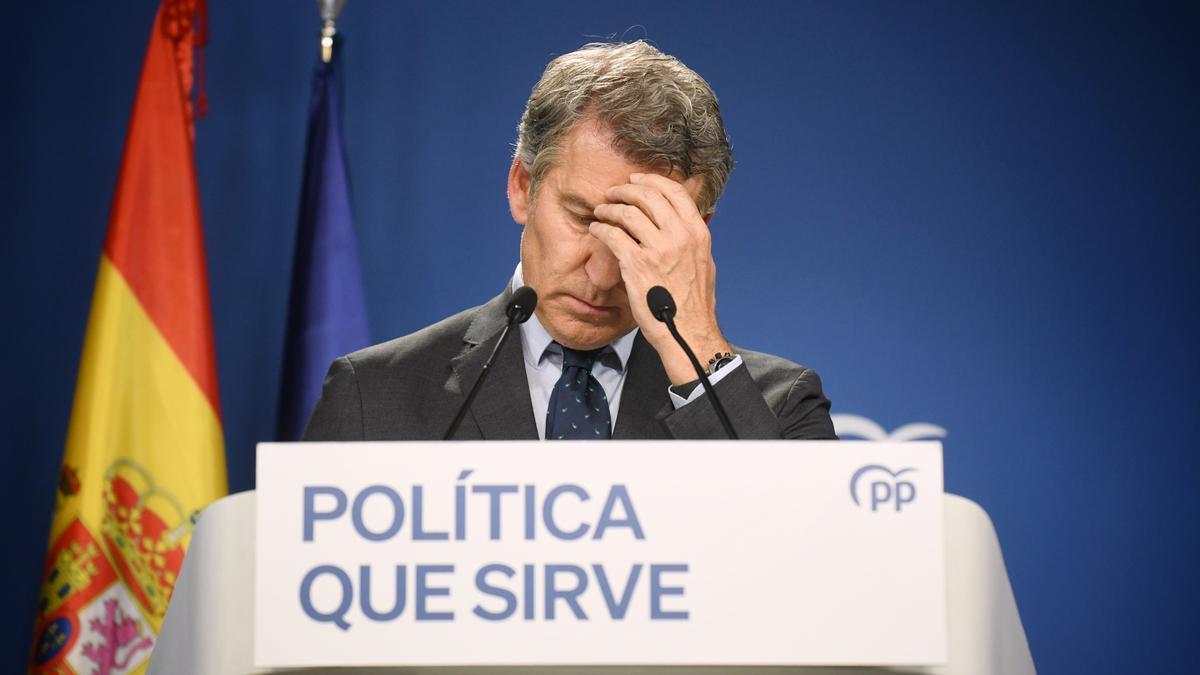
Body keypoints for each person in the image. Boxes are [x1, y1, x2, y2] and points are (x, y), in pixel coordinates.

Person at [303, 41, 836, 442]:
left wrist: (696, 346)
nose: (603, 276)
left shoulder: (781, 409)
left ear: (697, 234)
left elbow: (806, 568)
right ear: (522, 187)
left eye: (640, 235)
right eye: (583, 217)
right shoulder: (371, 396)